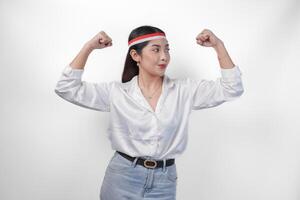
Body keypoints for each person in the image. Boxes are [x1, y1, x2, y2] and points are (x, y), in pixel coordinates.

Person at [54, 25, 244, 200]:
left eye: (167, 49)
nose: (164, 56)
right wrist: (89, 47)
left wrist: (218, 45)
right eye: (156, 49)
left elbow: (232, 88)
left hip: (164, 181)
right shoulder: (117, 93)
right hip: (122, 177)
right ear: (136, 55)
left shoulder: (183, 91)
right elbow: (66, 88)